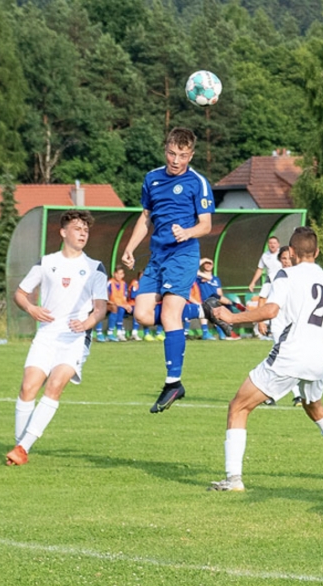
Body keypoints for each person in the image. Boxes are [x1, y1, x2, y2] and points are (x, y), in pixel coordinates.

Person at [207, 226, 323, 491]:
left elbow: (270, 310)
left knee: (238, 407)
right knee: (314, 407)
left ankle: (233, 479)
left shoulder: (286, 275)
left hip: (290, 355)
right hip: (318, 357)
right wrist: (320, 329)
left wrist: (232, 317)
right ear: (317, 252)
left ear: (290, 252)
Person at [5, 210, 108, 466]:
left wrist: (86, 323)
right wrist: (31, 308)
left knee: (55, 385)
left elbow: (101, 308)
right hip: (47, 335)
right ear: (63, 232)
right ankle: (21, 445)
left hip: (74, 337)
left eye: (86, 229)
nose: (83, 233)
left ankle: (21, 448)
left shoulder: (95, 267)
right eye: (77, 228)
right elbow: (20, 293)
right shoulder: (47, 262)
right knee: (28, 387)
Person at [122, 127, 213, 414]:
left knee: (170, 314)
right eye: (172, 153)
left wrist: (187, 233)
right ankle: (200, 311)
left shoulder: (198, 182)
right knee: (142, 314)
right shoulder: (152, 178)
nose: (176, 160)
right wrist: (130, 247)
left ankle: (173, 382)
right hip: (157, 256)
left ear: (191, 154)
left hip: (183, 254)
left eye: (183, 155)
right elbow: (145, 217)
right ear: (165, 150)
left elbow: (206, 225)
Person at [257, 246, 302, 407]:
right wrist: (261, 320)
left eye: (290, 258)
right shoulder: (274, 276)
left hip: (295, 323)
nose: (287, 261)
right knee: (284, 357)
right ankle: (296, 396)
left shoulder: (300, 276)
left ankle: (271, 394)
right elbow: (262, 298)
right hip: (278, 323)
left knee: (291, 359)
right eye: (284, 258)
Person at [196, 257, 233, 340]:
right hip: (203, 300)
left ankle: (222, 334)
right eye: (206, 263)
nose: (208, 265)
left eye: (210, 263)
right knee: (204, 314)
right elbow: (193, 267)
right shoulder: (198, 276)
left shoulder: (216, 279)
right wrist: (204, 259)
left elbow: (219, 292)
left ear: (213, 266)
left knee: (218, 316)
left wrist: (222, 301)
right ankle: (205, 333)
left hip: (214, 301)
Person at [95, 265, 130, 342]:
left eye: (121, 274)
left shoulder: (124, 284)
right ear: (114, 274)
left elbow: (124, 297)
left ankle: (115, 332)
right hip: (107, 303)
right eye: (117, 273)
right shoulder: (109, 283)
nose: (119, 276)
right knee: (101, 309)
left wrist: (127, 305)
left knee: (122, 309)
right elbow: (106, 298)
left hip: (119, 304)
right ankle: (99, 333)